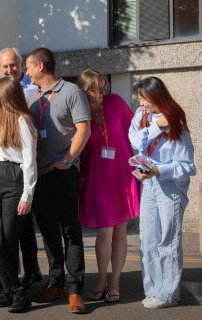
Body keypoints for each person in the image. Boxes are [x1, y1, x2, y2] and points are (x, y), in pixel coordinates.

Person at [25, 47, 91, 314]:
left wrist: (67, 161)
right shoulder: (31, 96)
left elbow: (84, 130)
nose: (26, 72)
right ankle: (56, 284)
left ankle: (75, 290)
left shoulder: (72, 92)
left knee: (70, 232)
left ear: (40, 66)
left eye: (28, 67)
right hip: (39, 175)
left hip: (63, 173)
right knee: (48, 232)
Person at [128, 76, 196, 309]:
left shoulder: (177, 124)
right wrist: (156, 126)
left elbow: (187, 166)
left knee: (168, 241)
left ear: (156, 96)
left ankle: (169, 295)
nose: (141, 103)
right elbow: (135, 141)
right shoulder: (142, 115)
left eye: (143, 98)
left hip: (170, 187)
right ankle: (153, 290)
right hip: (148, 184)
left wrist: (159, 170)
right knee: (147, 241)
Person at [76, 69, 140, 304]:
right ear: (85, 90)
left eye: (104, 87)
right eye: (97, 89)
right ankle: (101, 280)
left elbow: (136, 130)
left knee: (120, 231)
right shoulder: (80, 111)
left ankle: (115, 283)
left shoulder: (116, 102)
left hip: (122, 174)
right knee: (104, 232)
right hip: (96, 178)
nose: (102, 93)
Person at [0, 77, 39, 313]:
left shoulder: (23, 120)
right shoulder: (0, 119)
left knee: (6, 239)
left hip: (13, 179)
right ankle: (14, 289)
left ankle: (13, 291)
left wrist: (27, 195)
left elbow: (30, 161)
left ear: (5, 95)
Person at [0, 47, 42, 290]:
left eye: (13, 65)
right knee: (16, 226)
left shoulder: (34, 89)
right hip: (11, 167)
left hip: (32, 162)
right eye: (5, 66)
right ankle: (12, 275)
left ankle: (32, 271)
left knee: (27, 225)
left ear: (22, 65)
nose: (9, 70)